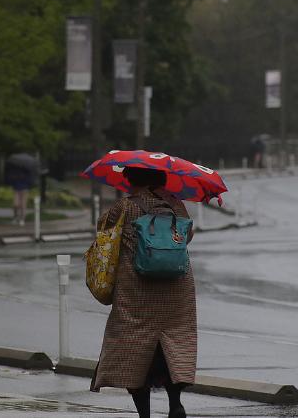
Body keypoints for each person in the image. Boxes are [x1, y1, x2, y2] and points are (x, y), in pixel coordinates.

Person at [90, 166, 196, 418]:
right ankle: (175, 403)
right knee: (174, 345)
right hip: (177, 289)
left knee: (134, 350)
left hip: (136, 289)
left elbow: (102, 232)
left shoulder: (124, 208)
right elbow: (187, 236)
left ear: (132, 180)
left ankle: (144, 415)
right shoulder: (176, 206)